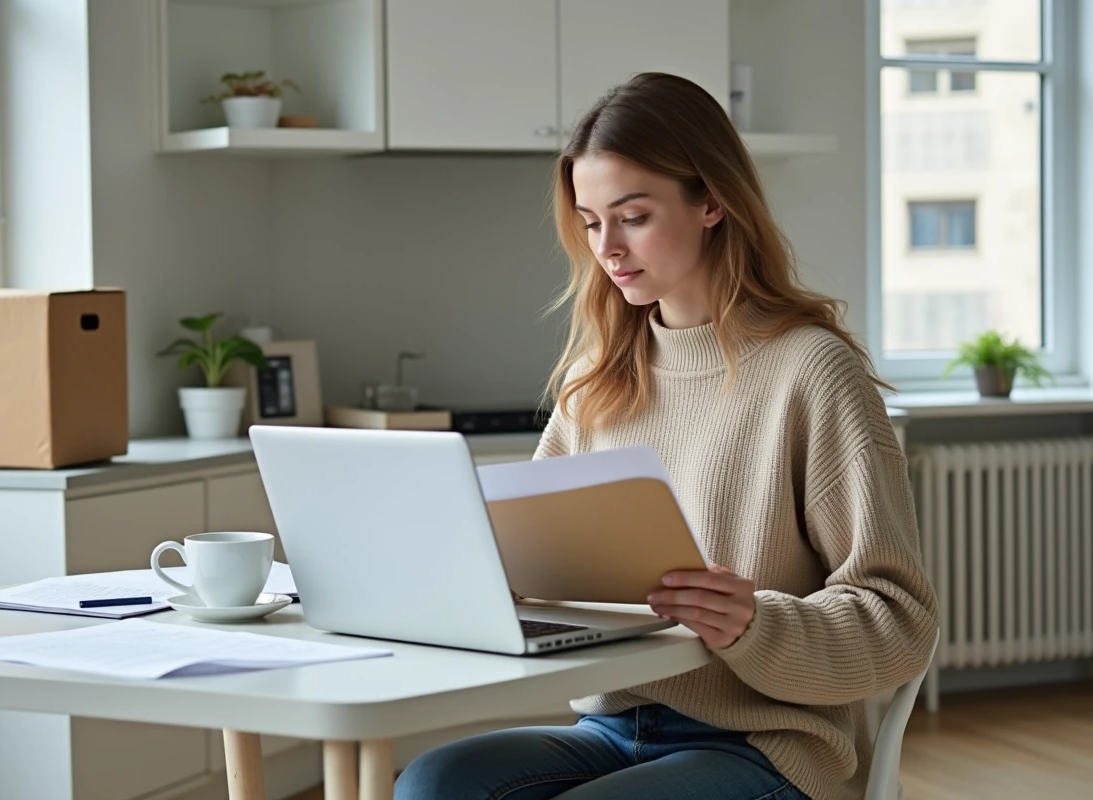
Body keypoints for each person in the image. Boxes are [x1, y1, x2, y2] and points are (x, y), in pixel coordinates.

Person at [394, 72, 938, 800]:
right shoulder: (599, 375)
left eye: (633, 216)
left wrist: (755, 623)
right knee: (435, 781)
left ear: (712, 200)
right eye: (591, 222)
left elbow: (900, 621)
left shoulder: (812, 372)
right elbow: (529, 558)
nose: (607, 248)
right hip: (614, 726)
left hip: (768, 746)